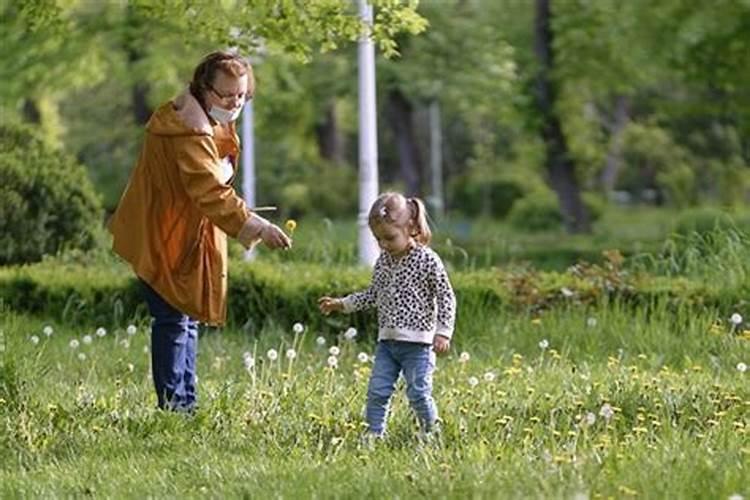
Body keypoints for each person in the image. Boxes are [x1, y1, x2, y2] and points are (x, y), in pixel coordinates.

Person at [108, 51, 291, 412]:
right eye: (227, 95)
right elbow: (208, 189)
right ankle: (175, 408)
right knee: (174, 320)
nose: (235, 103)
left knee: (185, 318)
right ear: (205, 89)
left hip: (185, 232)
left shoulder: (209, 118)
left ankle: (185, 404)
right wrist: (255, 225)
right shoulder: (187, 128)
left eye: (242, 95)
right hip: (164, 233)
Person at [318, 192, 456, 439]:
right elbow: (373, 295)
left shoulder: (427, 260)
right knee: (378, 391)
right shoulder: (383, 262)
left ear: (411, 226)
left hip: (419, 345)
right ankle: (373, 434)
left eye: (389, 238)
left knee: (418, 393)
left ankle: (431, 434)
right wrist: (343, 303)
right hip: (387, 344)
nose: (383, 245)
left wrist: (443, 331)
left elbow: (446, 296)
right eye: (378, 239)